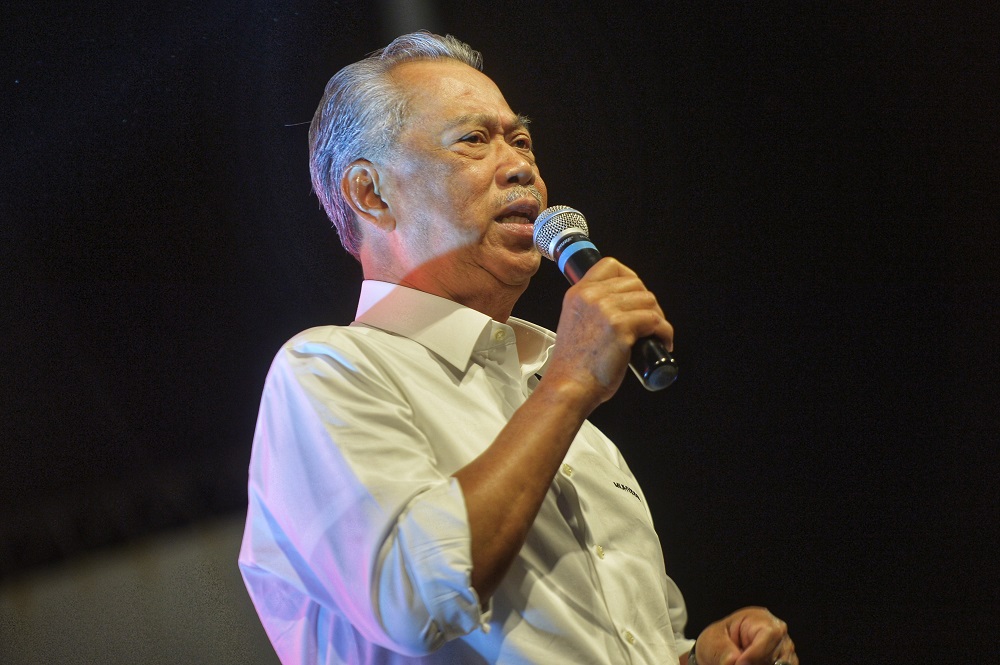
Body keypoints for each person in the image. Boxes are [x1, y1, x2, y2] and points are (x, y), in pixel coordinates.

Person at [238, 31, 798, 665]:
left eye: (522, 140)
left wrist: (696, 659)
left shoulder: (557, 406)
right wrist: (567, 387)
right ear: (371, 194)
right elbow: (411, 601)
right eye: (474, 140)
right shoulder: (328, 373)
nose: (521, 166)